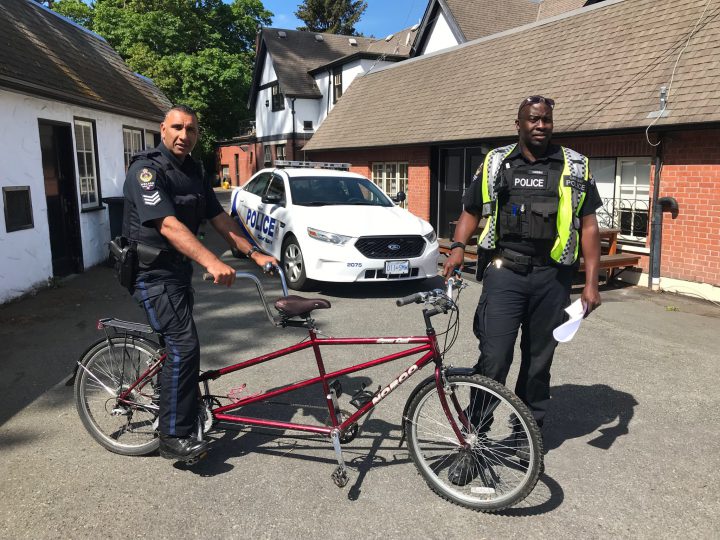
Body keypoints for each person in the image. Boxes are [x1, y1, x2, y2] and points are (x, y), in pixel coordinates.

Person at [442, 95, 602, 484]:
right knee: (493, 359)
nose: (541, 126)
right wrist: (458, 248)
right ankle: (474, 441)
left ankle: (524, 436)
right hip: (504, 273)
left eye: (546, 120)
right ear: (518, 124)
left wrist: (592, 282)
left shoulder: (574, 165)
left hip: (552, 278)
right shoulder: (497, 162)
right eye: (533, 120)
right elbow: (471, 211)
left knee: (537, 364)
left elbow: (590, 224)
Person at [122, 105, 276, 461]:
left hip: (177, 273)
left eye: (190, 130)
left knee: (179, 348)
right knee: (184, 346)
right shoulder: (146, 171)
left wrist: (255, 253)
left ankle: (179, 407)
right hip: (150, 273)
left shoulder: (194, 170)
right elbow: (168, 225)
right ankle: (173, 436)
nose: (183, 135)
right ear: (162, 129)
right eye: (177, 128)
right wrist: (211, 261)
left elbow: (219, 218)